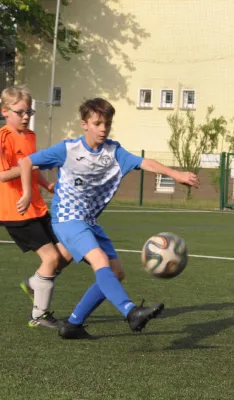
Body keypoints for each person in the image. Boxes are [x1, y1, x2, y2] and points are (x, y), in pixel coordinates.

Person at [17, 97, 200, 339]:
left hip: (90, 221)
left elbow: (146, 163)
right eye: (98, 123)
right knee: (99, 259)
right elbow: (26, 161)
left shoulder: (114, 152)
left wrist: (175, 174)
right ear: (85, 124)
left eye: (107, 124)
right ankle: (130, 311)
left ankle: (73, 324)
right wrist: (29, 193)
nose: (103, 128)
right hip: (67, 219)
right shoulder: (68, 149)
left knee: (116, 273)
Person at [0, 85, 73, 329]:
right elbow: (2, 175)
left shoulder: (30, 136)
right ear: (5, 112)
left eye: (28, 112)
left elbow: (32, 167)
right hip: (16, 209)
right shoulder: (3, 138)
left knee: (68, 250)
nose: (25, 117)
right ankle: (39, 315)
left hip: (37, 207)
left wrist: (46, 184)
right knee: (51, 257)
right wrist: (28, 169)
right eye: (20, 112)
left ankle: (34, 283)